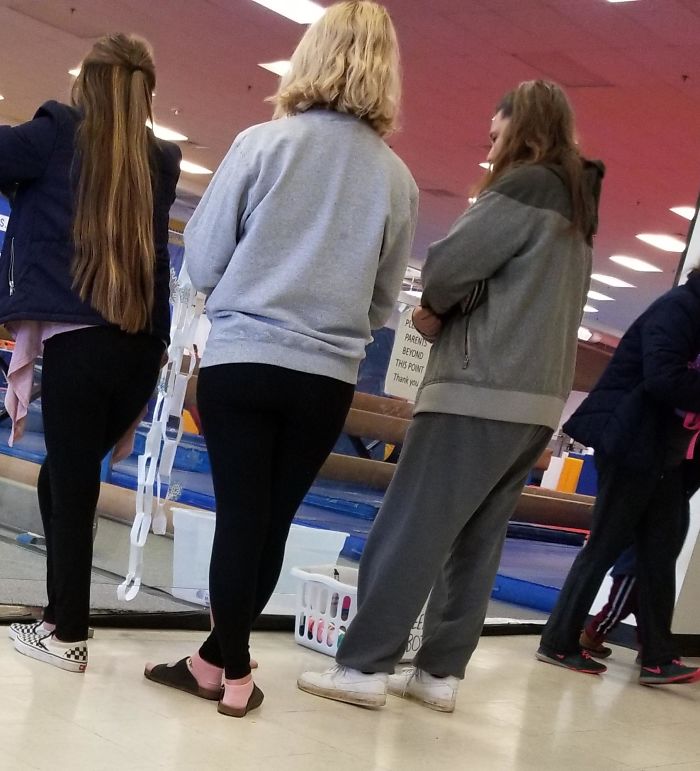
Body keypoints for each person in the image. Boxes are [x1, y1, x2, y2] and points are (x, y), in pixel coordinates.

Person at [145, 0, 417, 718]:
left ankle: (232, 672)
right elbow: (384, 302)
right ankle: (213, 660)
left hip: (245, 359)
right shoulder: (398, 180)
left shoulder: (264, 145)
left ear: (310, 55)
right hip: (325, 375)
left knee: (239, 516)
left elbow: (201, 259)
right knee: (271, 521)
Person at [298, 79, 604, 712]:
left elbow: (446, 268)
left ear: (524, 132)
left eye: (496, 138)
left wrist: (438, 307)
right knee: (477, 542)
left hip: (478, 390)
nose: (489, 153)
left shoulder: (522, 187)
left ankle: (362, 667)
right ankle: (439, 674)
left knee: (410, 529)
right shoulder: (577, 207)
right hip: (537, 404)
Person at [1, 33, 181, 672]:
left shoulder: (56, 132)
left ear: (88, 84)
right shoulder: (160, 160)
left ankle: (68, 636)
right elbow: (154, 258)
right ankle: (57, 615)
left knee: (71, 481)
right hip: (140, 349)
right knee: (65, 475)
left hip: (83, 342)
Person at [538, 284, 700, 685]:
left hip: (663, 453)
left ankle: (658, 658)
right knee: (605, 545)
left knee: (662, 550)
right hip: (632, 443)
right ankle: (558, 641)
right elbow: (663, 378)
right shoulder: (680, 307)